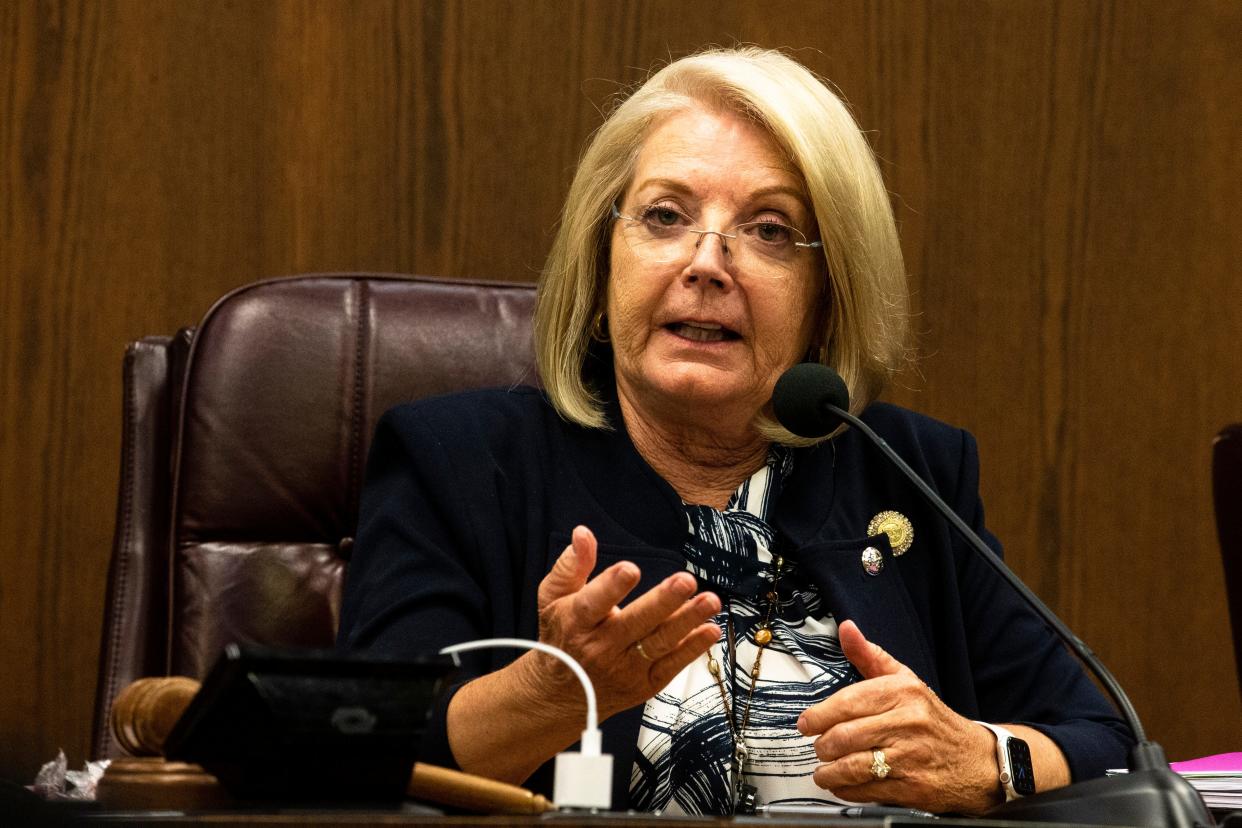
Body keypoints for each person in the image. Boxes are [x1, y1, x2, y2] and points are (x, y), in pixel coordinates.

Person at [337, 47, 1132, 815]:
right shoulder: (460, 463)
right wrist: (550, 694)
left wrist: (986, 762)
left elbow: (1106, 740)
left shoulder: (909, 473)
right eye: (664, 216)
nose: (707, 262)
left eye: (770, 230)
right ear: (602, 257)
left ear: (828, 297)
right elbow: (354, 753)